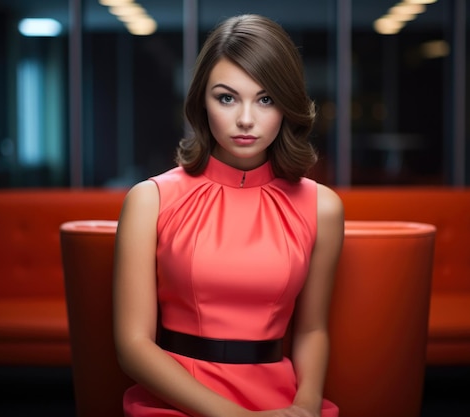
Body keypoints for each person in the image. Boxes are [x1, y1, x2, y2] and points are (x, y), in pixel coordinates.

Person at [113, 14, 345, 417]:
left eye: (266, 99)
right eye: (227, 97)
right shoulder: (149, 200)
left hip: (280, 401)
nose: (246, 120)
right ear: (202, 101)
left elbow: (311, 329)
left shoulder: (322, 207)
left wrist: (305, 408)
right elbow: (132, 345)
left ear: (287, 105)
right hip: (176, 400)